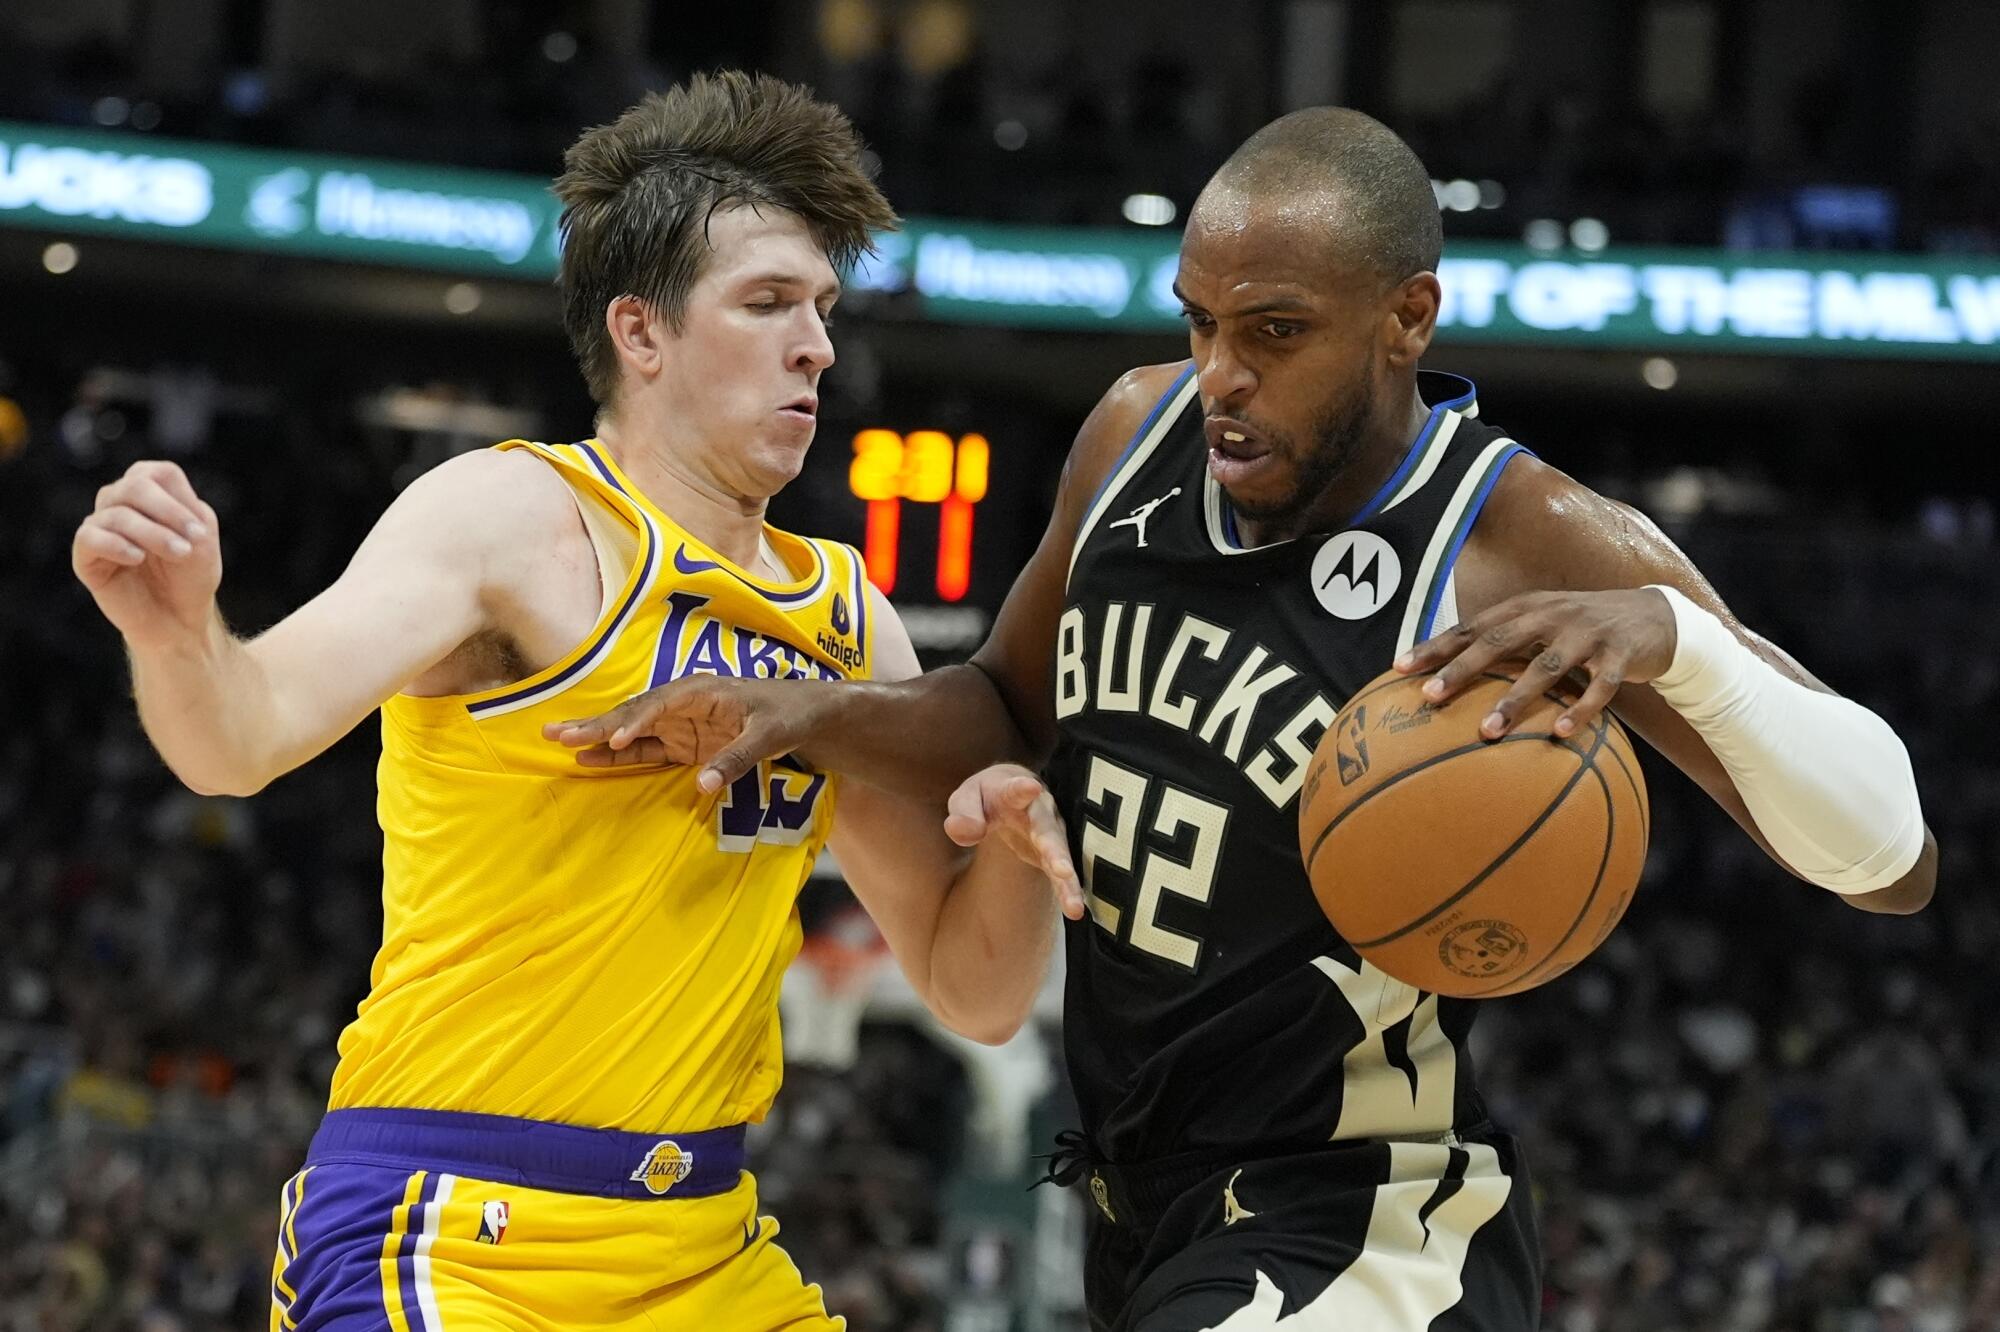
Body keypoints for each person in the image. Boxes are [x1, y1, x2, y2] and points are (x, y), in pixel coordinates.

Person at [553, 106, 1938, 1331]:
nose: (1222, 373)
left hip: (1367, 1224)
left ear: (1408, 319)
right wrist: (804, 714)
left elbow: (1893, 860)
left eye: (1274, 333)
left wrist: (1681, 643)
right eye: (1200, 323)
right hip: (1136, 1202)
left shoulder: (1530, 538)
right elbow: (1003, 707)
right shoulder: (1132, 436)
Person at [71, 71, 1070, 1331]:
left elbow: (971, 992)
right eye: (765, 304)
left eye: (819, 307)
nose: (815, 343)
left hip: (704, 1250)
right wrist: (175, 633)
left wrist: (1023, 840)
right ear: (640, 332)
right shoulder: (515, 517)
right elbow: (241, 734)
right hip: (454, 1223)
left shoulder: (846, 616)